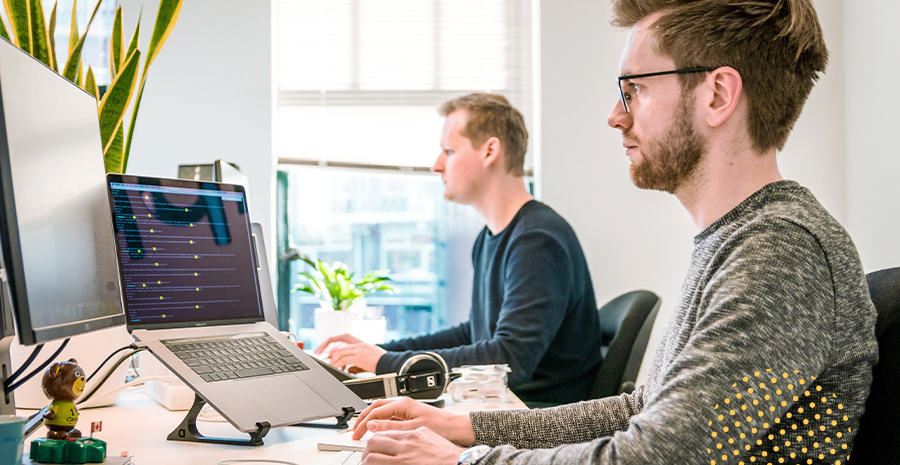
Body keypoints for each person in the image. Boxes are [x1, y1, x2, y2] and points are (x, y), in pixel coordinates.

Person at [346, 1, 879, 464]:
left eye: (634, 90)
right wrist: (463, 427)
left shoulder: (779, 251)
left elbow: (656, 456)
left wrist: (467, 460)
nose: (614, 116)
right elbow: (641, 410)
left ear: (717, 94)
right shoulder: (739, 239)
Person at [317, 93, 604, 406]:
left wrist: (385, 363)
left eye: (449, 151)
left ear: (490, 151)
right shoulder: (492, 237)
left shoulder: (537, 241)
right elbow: (475, 334)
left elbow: (509, 361)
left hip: (537, 419)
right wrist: (381, 352)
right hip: (504, 407)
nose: (436, 165)